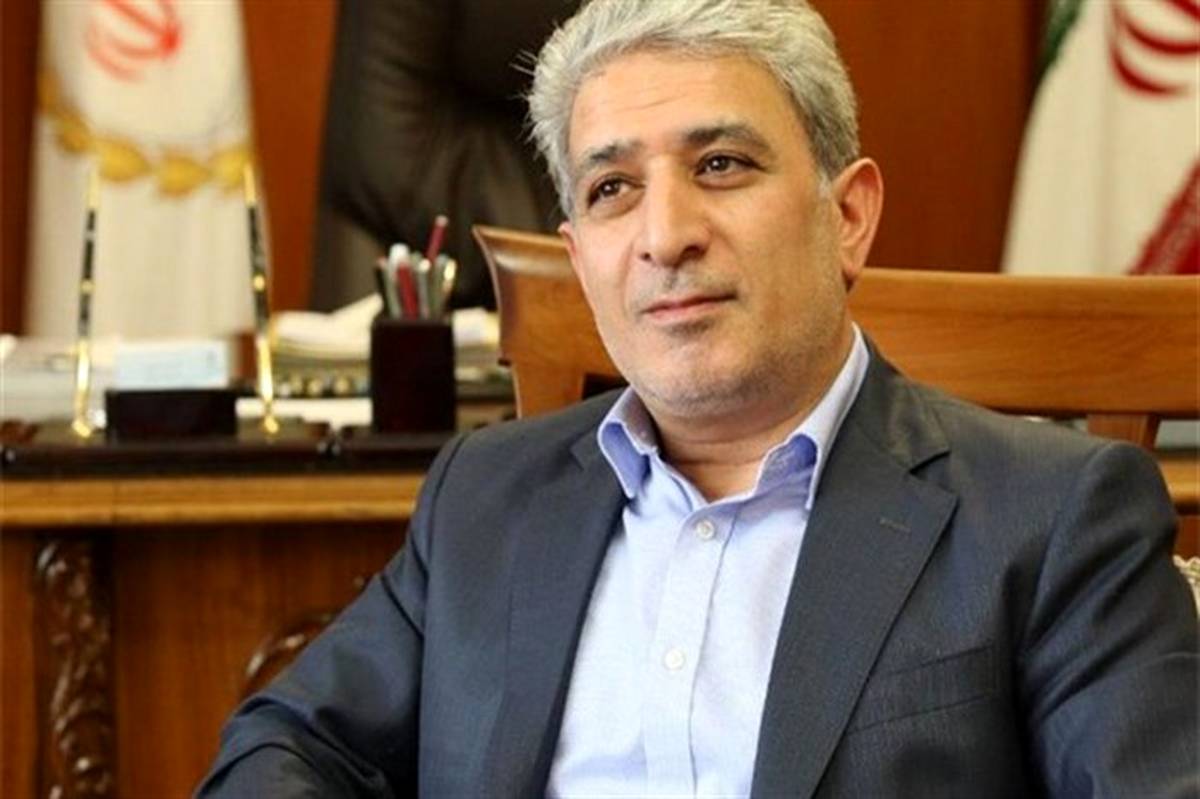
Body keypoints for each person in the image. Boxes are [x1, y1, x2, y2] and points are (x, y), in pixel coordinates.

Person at [199, 1, 1199, 796]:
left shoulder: (1052, 516)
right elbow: (283, 746)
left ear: (848, 216)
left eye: (720, 165)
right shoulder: (486, 496)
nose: (664, 234)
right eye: (612, 189)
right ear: (579, 257)